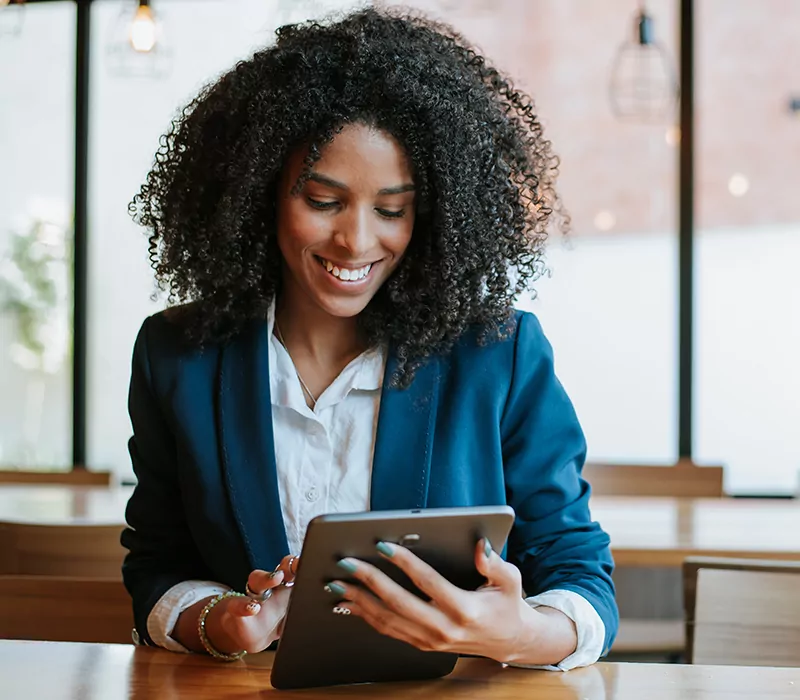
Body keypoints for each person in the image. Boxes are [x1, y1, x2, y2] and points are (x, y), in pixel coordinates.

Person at [122, 7, 617, 669]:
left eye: (392, 210)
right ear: (258, 190)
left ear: (432, 212)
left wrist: (522, 632)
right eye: (323, 201)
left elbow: (581, 574)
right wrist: (219, 621)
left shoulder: (499, 354)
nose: (356, 241)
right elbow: (157, 565)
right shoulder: (176, 357)